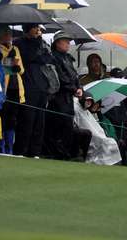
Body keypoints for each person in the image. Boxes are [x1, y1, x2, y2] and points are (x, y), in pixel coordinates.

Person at [13, 23, 56, 158]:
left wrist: (39, 53)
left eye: (39, 28)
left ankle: (35, 152)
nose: (38, 30)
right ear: (27, 29)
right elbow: (27, 57)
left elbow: (49, 58)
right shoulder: (19, 43)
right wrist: (38, 54)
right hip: (27, 85)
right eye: (35, 28)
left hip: (42, 86)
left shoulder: (42, 43)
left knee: (39, 121)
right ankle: (21, 150)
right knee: (27, 119)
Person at [45, 31, 82, 160]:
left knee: (68, 126)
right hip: (58, 98)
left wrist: (79, 88)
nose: (68, 44)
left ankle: (66, 152)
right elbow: (60, 78)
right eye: (65, 41)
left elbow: (74, 76)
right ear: (57, 43)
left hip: (69, 98)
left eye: (68, 41)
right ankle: (59, 153)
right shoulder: (54, 58)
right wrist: (74, 89)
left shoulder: (68, 58)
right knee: (59, 125)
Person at [0, 24, 24, 155]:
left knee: (12, 119)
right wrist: (10, 61)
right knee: (2, 117)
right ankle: (0, 147)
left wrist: (12, 62)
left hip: (16, 88)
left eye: (9, 33)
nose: (8, 36)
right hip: (2, 88)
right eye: (5, 33)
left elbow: (21, 70)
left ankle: (9, 148)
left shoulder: (15, 49)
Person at [72, 92, 121, 166]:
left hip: (98, 134)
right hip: (90, 134)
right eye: (87, 101)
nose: (89, 103)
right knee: (105, 142)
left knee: (111, 142)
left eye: (90, 102)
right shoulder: (76, 107)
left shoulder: (89, 112)